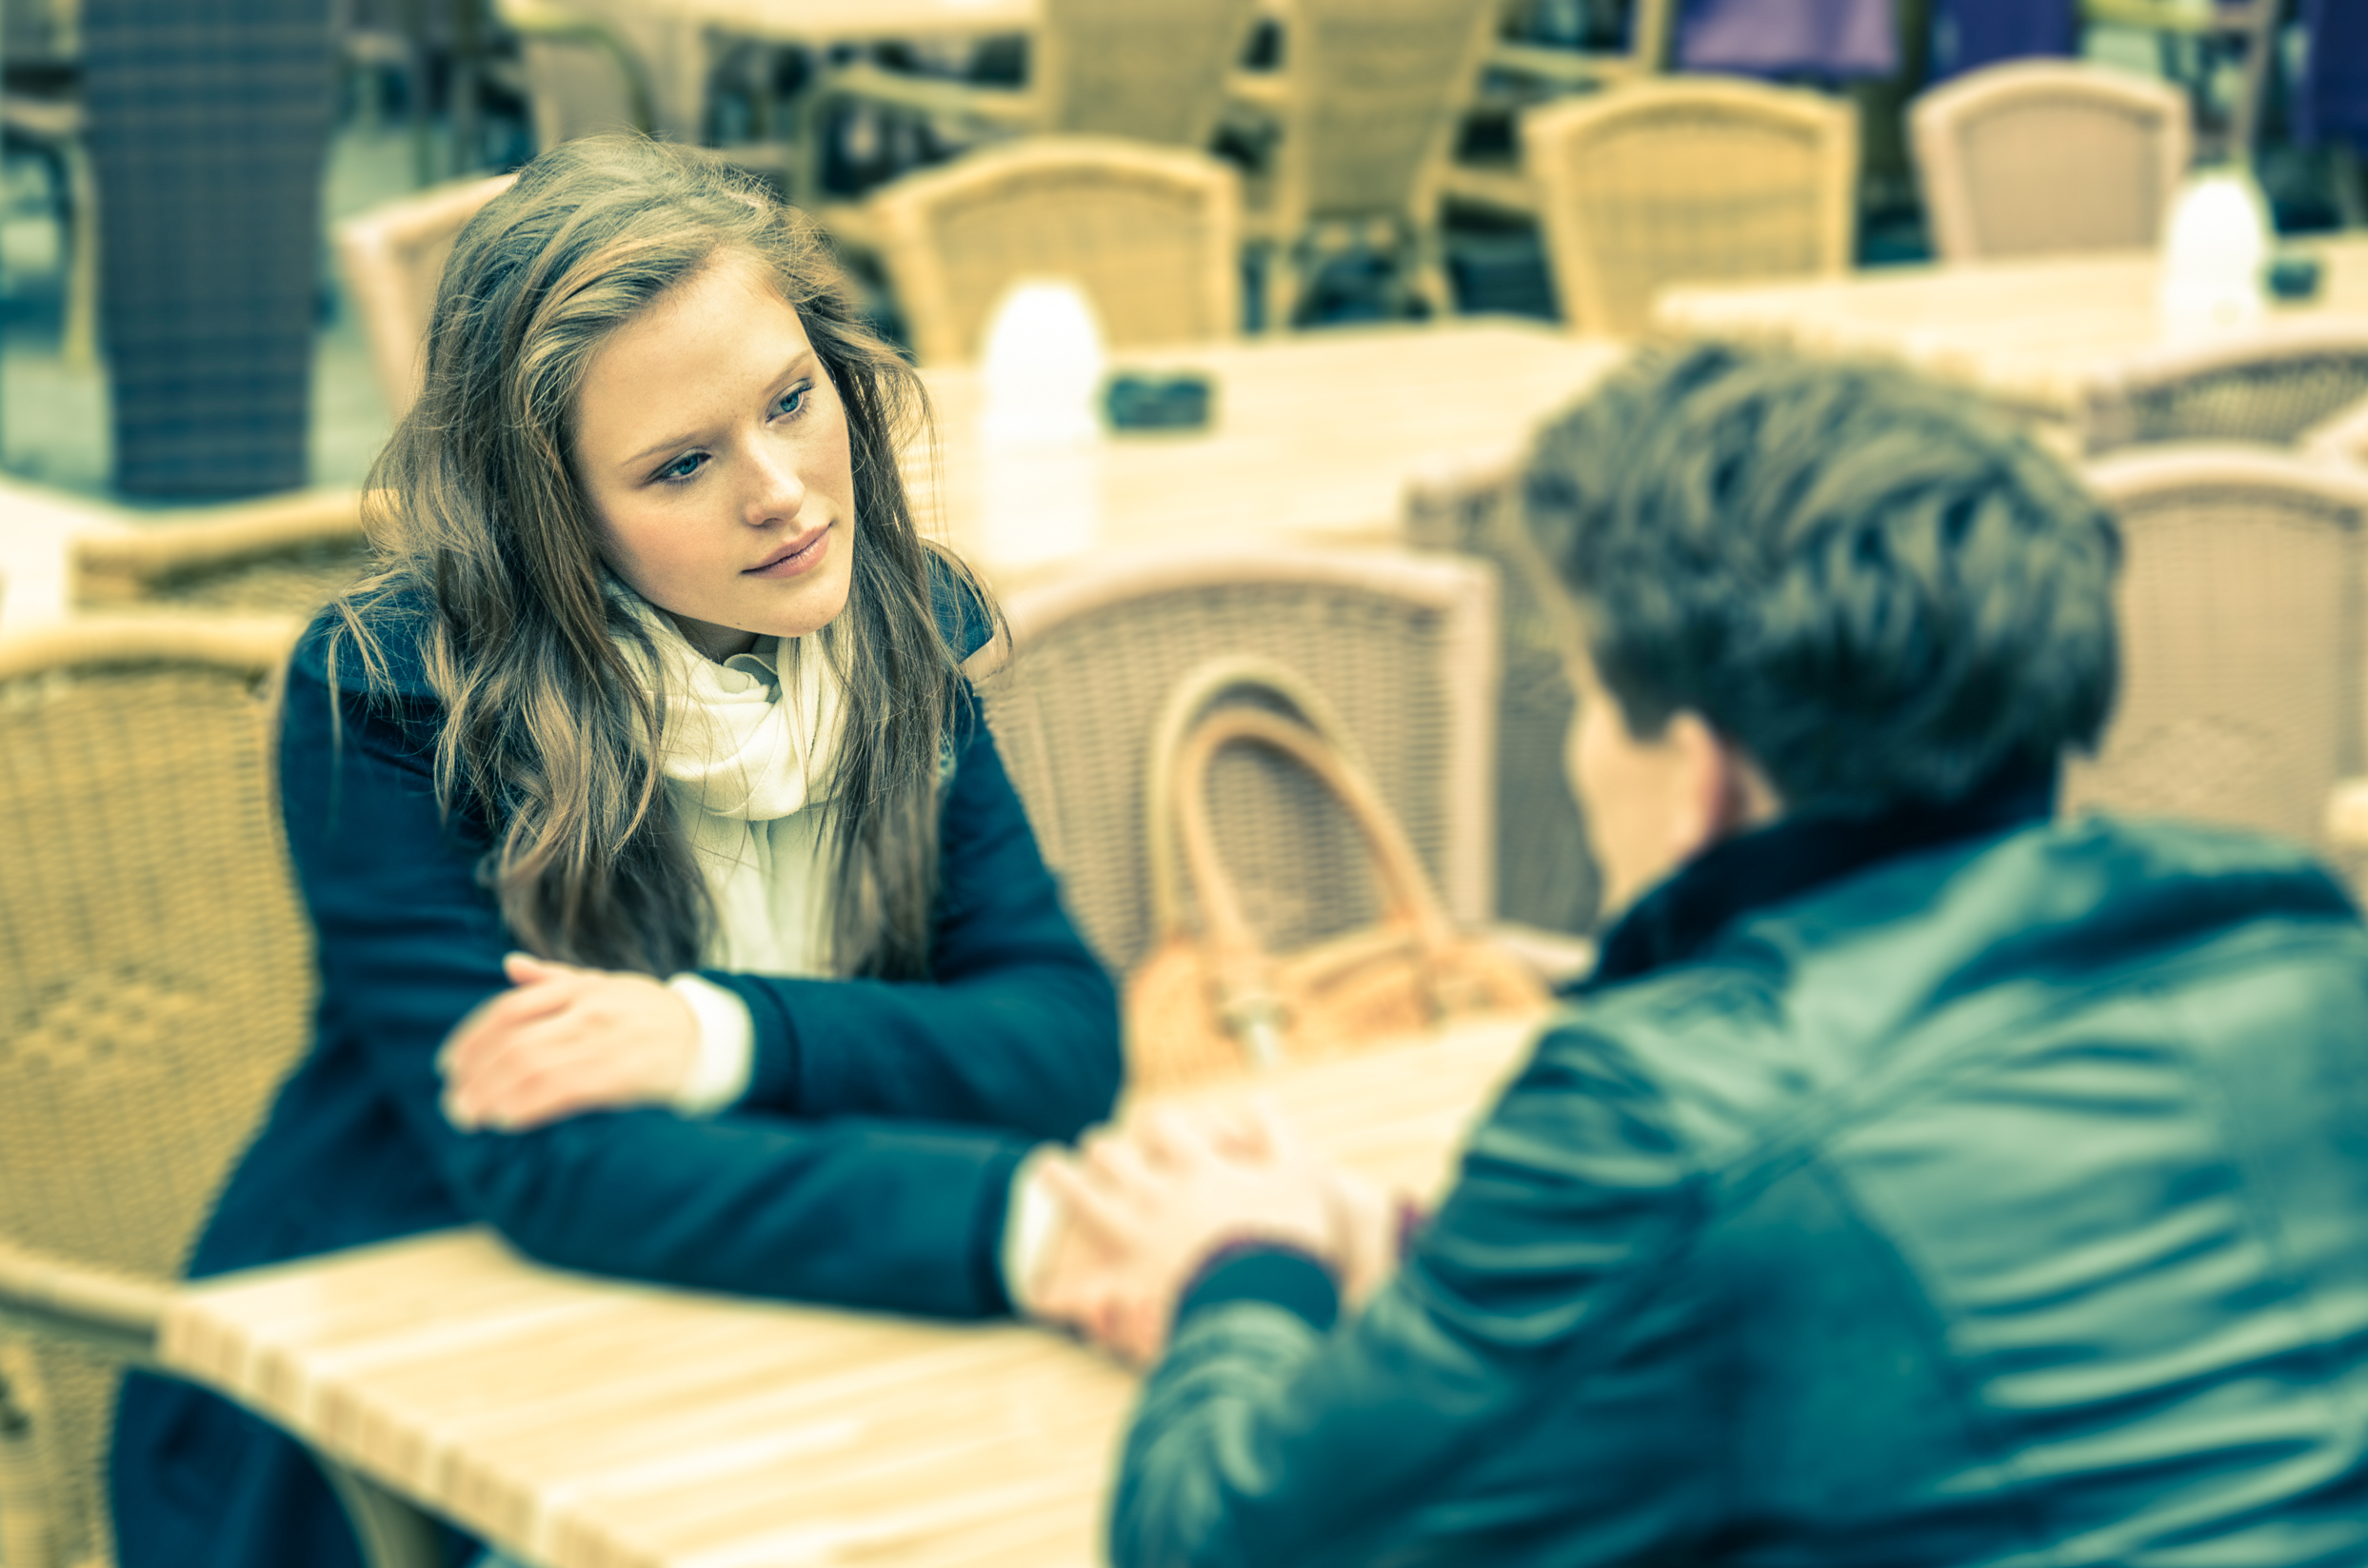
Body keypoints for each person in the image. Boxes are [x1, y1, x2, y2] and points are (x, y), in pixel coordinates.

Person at [1037, 346, 2368, 1566]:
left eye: (1594, 704)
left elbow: (1222, 1542)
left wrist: (1246, 1264)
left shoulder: (1655, 1116)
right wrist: (1413, 1245)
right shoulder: (2292, 939)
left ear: (1697, 778)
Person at [109, 136, 1121, 1568]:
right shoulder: (396, 704)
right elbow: (560, 1167)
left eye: (790, 400)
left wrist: (710, 1040)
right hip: (398, 1434)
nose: (779, 489)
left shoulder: (900, 631)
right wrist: (1022, 1227)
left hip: (775, 1351)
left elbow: (1062, 1035)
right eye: (683, 465)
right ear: (558, 520)